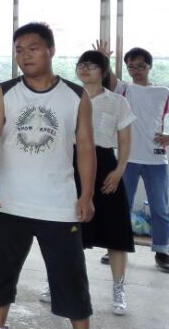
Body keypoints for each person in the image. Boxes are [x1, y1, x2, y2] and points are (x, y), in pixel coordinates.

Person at [0, 23, 95, 329]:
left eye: (33, 48)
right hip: (8, 202)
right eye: (19, 50)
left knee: (71, 278)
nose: (25, 56)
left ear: (50, 51)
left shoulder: (75, 95)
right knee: (0, 274)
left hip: (59, 205)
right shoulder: (3, 93)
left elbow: (85, 148)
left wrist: (86, 195)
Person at [40, 50, 134, 315]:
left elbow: (125, 141)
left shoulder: (117, 102)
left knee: (116, 233)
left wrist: (119, 170)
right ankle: (55, 282)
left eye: (91, 65)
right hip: (70, 166)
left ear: (103, 71)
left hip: (106, 168)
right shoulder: (67, 97)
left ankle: (118, 289)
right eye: (81, 64)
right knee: (64, 230)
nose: (84, 68)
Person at [109, 46, 169, 273]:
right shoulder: (125, 89)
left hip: (156, 160)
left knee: (160, 208)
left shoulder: (162, 92)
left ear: (149, 67)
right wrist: (104, 59)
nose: (135, 71)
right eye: (131, 67)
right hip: (128, 158)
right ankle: (116, 248)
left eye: (140, 66)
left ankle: (162, 251)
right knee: (121, 206)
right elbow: (110, 80)